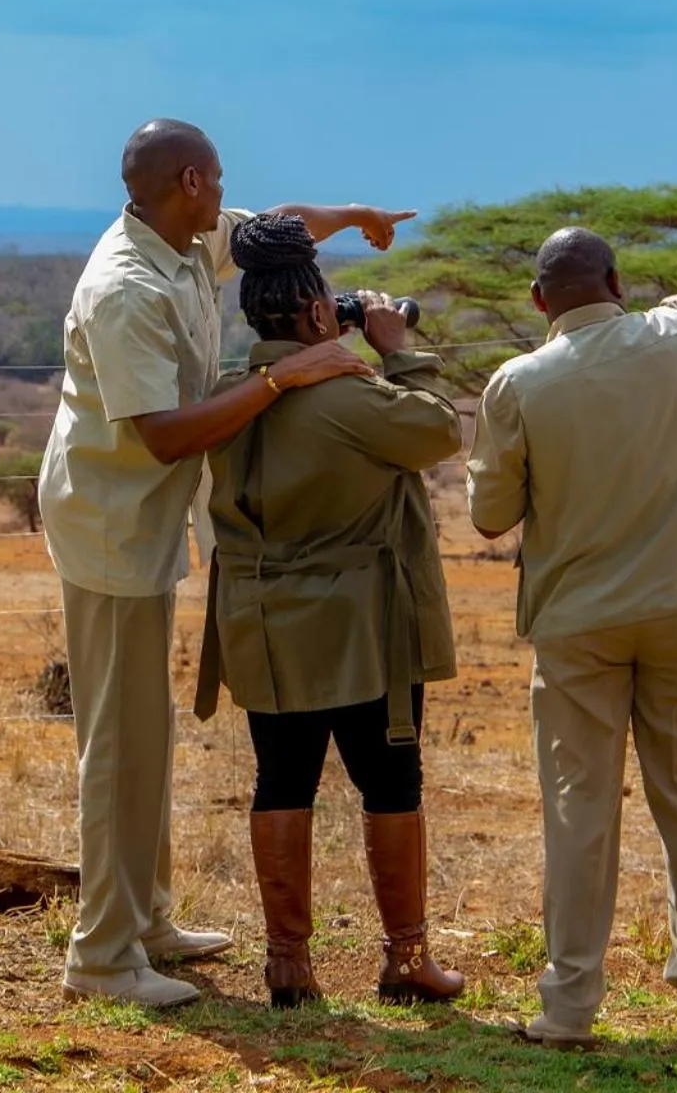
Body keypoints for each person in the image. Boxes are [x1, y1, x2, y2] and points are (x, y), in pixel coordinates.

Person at [40, 118, 416, 1009]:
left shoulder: (181, 235)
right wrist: (288, 378)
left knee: (147, 735)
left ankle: (148, 919)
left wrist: (353, 213)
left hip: (142, 523)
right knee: (116, 745)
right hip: (110, 525)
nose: (228, 190)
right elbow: (165, 437)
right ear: (191, 181)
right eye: (219, 176)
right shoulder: (127, 287)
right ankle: (101, 957)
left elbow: (277, 223)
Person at [466, 197, 677, 1049]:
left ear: (536, 303)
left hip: (576, 629)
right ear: (618, 284)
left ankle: (568, 1008)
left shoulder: (517, 384)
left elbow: (491, 519)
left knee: (578, 811)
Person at [194, 212, 465, 1009]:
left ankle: (287, 963)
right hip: (362, 628)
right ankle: (406, 959)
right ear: (320, 315)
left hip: (263, 623)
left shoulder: (227, 396)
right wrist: (395, 349)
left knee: (281, 779)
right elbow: (437, 431)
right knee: (391, 781)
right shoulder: (351, 398)